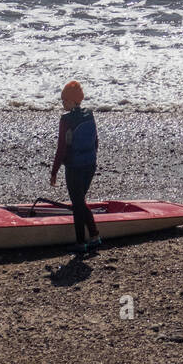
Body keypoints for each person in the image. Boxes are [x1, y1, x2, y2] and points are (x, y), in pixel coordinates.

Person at [50, 81, 100, 255]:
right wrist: (91, 158)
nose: (62, 103)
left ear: (72, 101)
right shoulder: (90, 114)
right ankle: (93, 237)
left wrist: (54, 171)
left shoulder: (66, 119)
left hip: (75, 166)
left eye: (64, 100)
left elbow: (61, 147)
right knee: (80, 201)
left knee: (78, 203)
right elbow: (95, 141)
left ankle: (82, 242)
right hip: (90, 164)